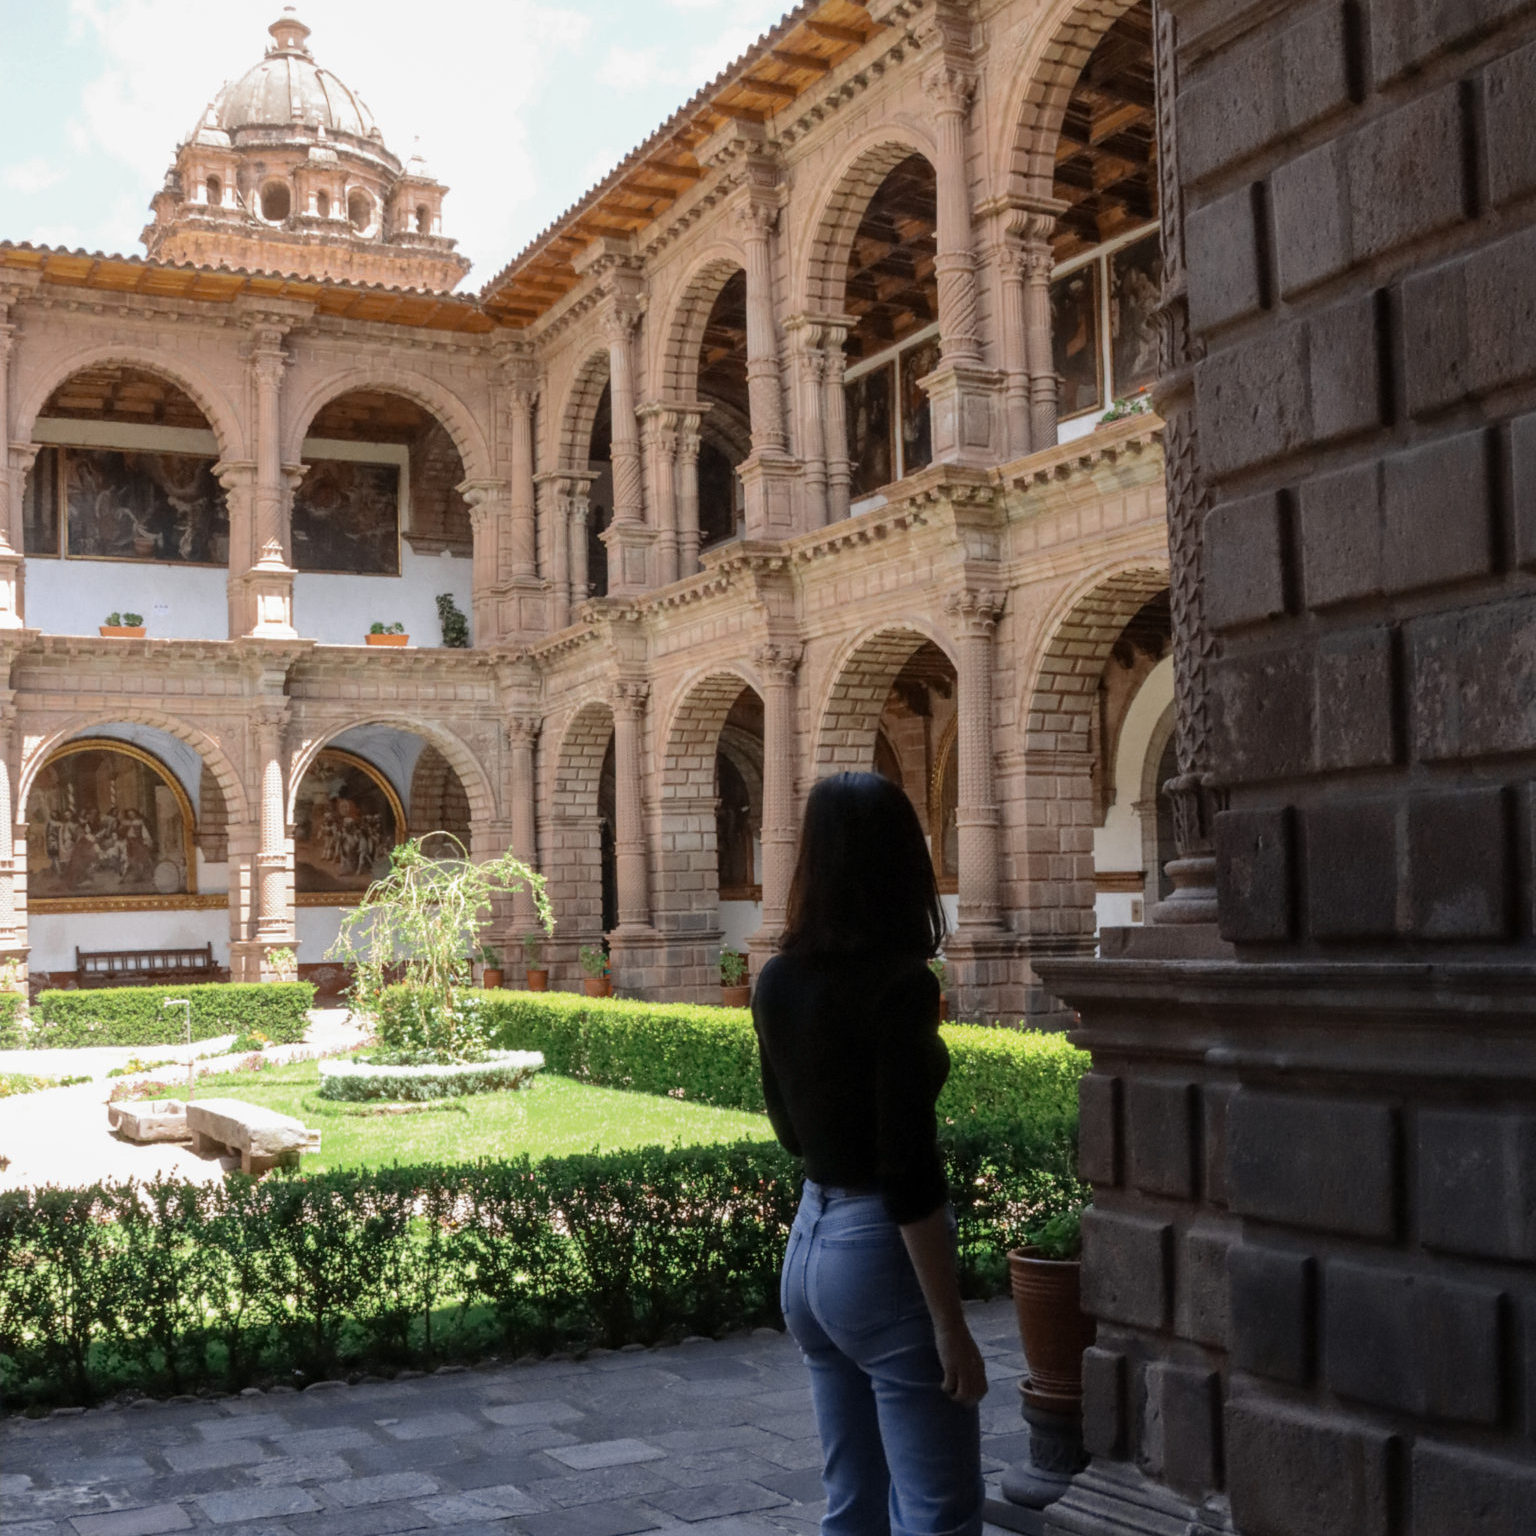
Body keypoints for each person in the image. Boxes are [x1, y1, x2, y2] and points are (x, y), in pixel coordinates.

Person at [752, 771, 986, 1536]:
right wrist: (950, 1321)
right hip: (878, 1254)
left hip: (810, 1247)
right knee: (939, 1513)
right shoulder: (898, 985)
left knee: (852, 1506)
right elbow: (908, 1170)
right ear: (899, 861)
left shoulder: (777, 978)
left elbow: (791, 1131)